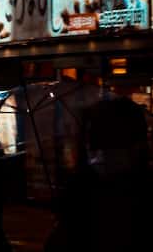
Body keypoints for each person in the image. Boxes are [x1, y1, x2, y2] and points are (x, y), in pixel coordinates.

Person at [46, 97, 151, 252]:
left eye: (112, 139)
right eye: (94, 140)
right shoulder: (78, 190)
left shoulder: (143, 193)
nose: (100, 150)